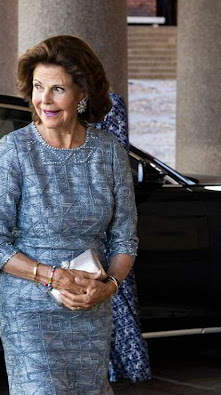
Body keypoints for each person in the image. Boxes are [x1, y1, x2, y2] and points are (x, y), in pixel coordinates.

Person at [0, 35, 138, 394]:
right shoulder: (14, 150)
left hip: (90, 308)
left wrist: (109, 288)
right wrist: (52, 277)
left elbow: (125, 238)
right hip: (29, 311)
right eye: (37, 87)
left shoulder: (109, 152)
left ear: (82, 93)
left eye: (57, 89)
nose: (43, 100)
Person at [94, 92, 152, 383]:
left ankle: (117, 370)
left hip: (105, 229)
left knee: (112, 297)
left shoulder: (109, 104)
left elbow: (116, 163)